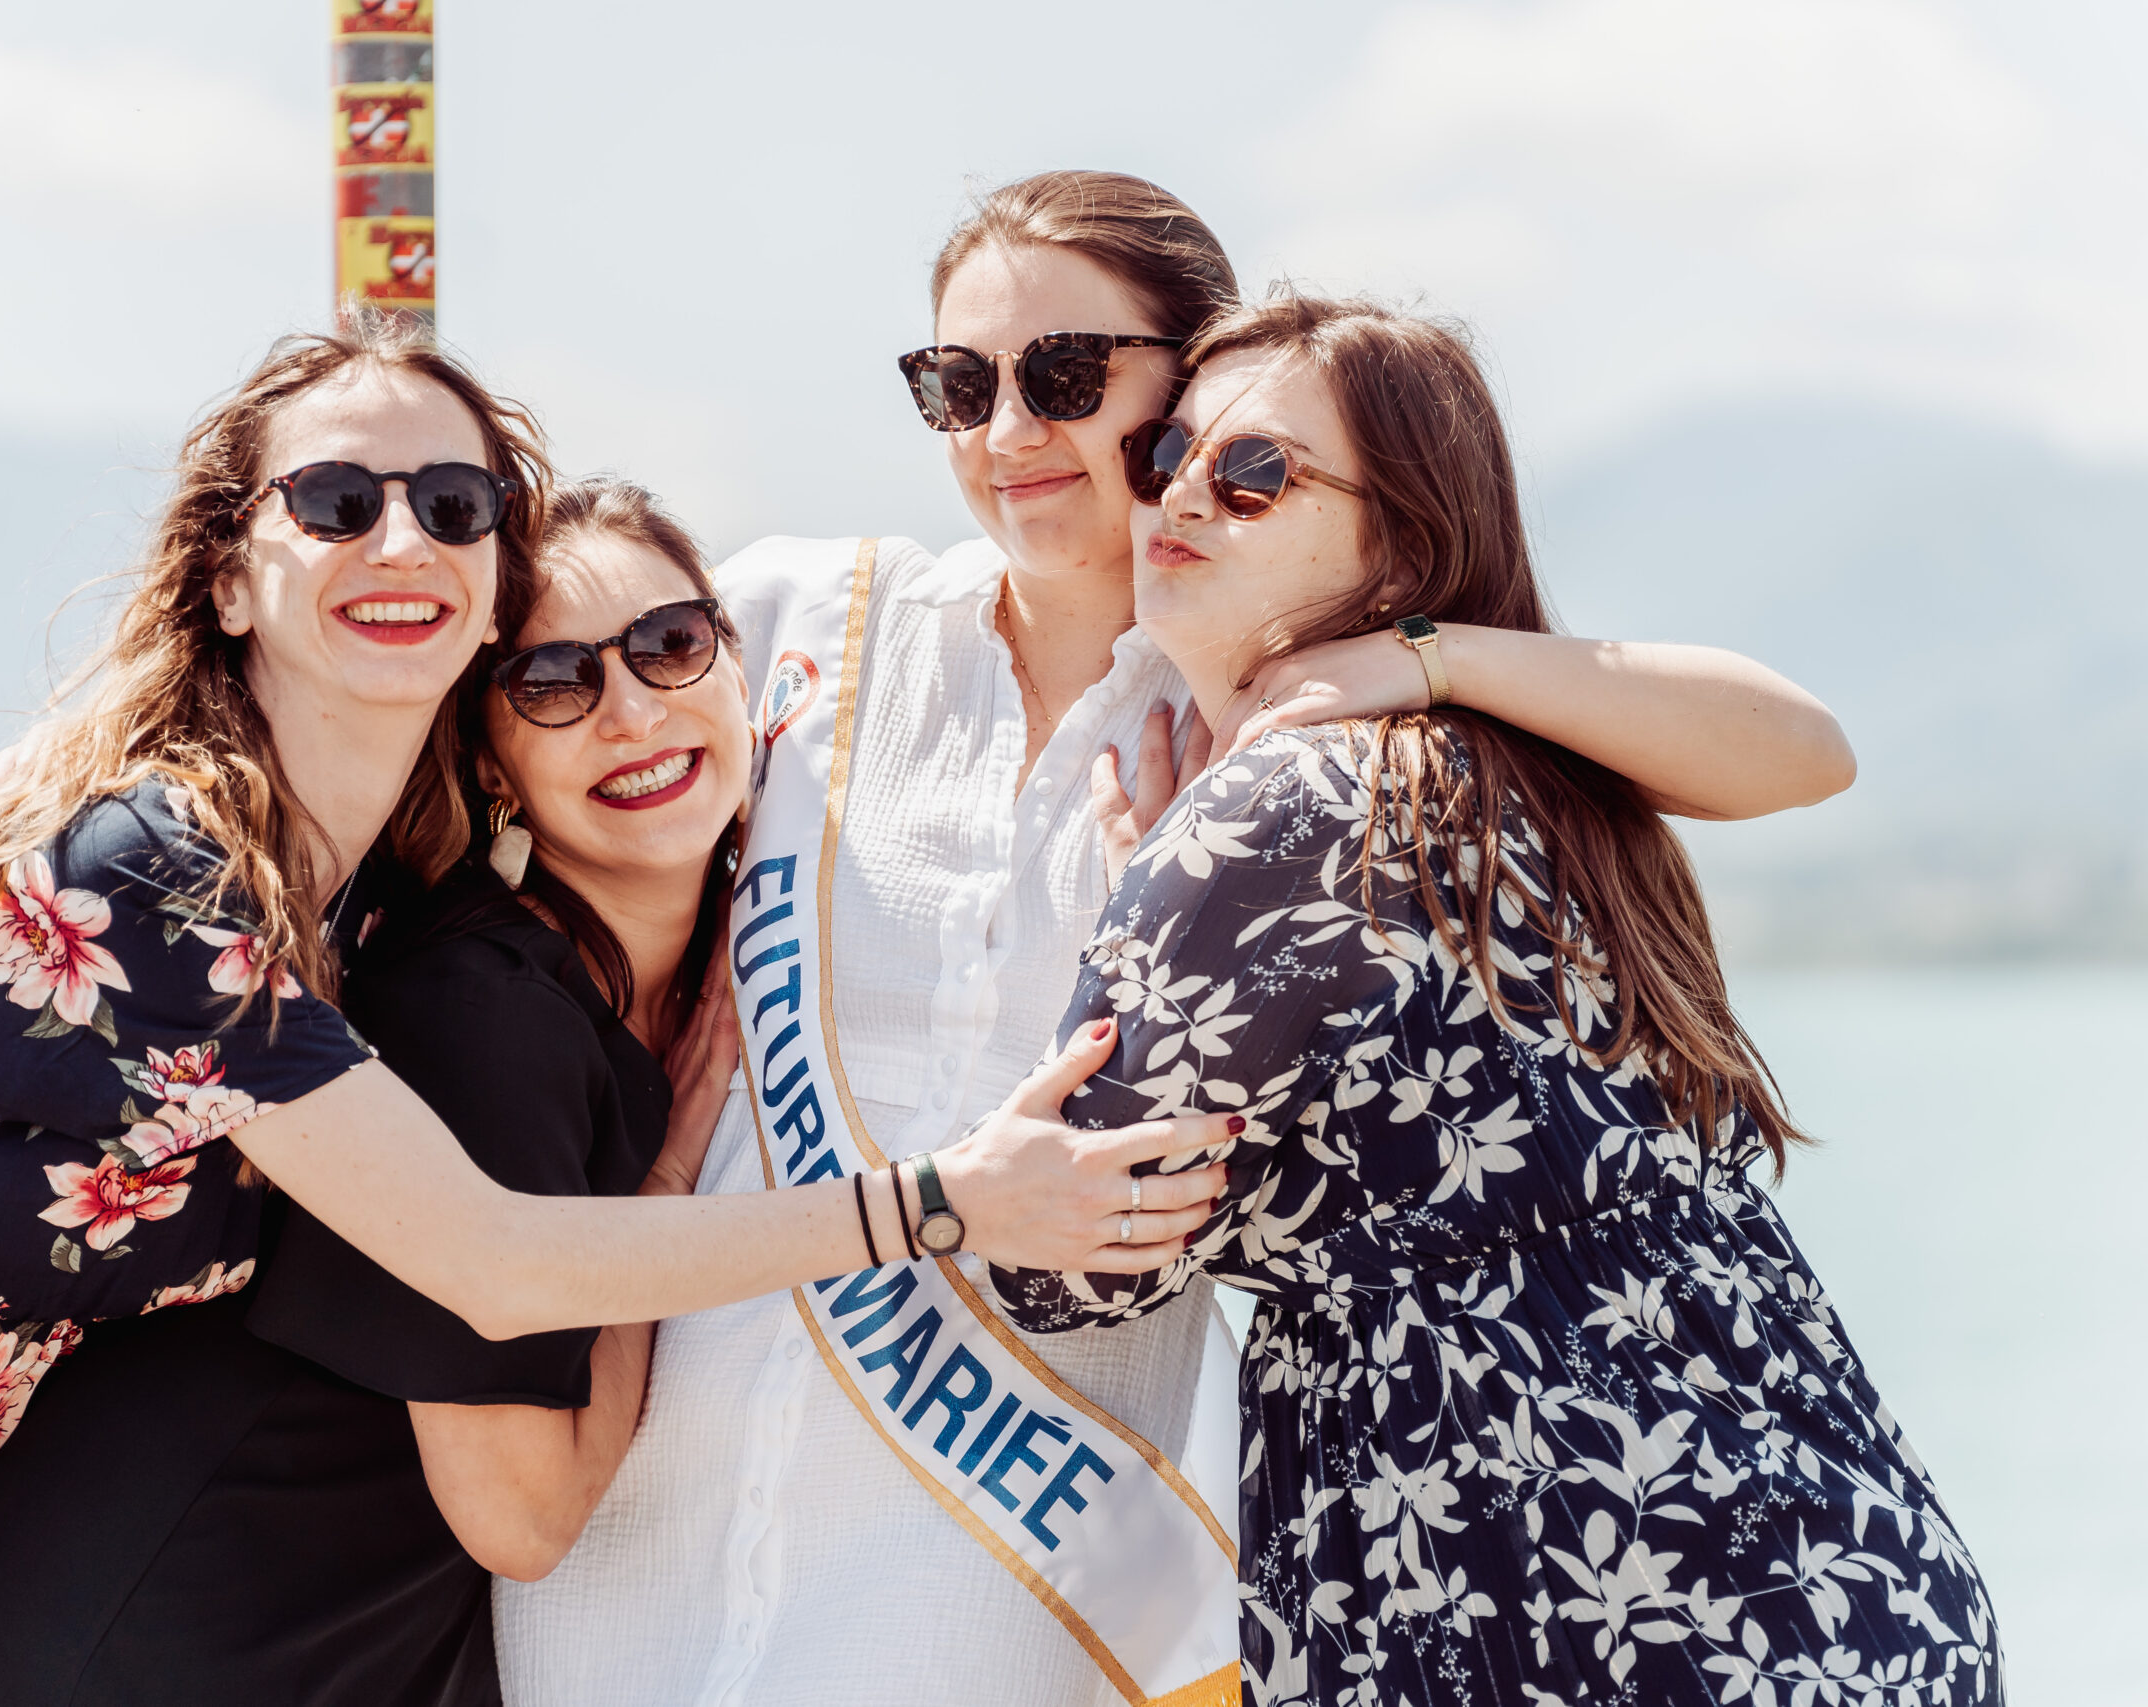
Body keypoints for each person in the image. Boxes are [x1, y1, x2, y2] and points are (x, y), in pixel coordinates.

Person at [0, 315, 1227, 1707]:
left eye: (452, 503)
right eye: (336, 497)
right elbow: (494, 1258)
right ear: (231, 576)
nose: (401, 539)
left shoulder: (364, 898)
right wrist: (944, 1202)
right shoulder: (168, 874)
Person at [498, 172, 1858, 1707]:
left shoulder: (1275, 704)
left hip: (1003, 1575)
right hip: (648, 1502)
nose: (1006, 432)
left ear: (1187, 388)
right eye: (957, 385)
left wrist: (1429, 660)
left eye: (1066, 377)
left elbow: (1793, 752)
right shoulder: (787, 620)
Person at [991, 292, 2001, 1704]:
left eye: (1257, 472)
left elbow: (1064, 1263)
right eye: (1168, 456)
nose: (1186, 497)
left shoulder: (1272, 814)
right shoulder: (1522, 770)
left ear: (1401, 537)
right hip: (1841, 1572)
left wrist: (1144, 898)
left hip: (1549, 1599)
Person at [0, 478, 748, 1705]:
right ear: (491, 763)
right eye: (552, 684)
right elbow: (524, 1514)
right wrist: (671, 1181)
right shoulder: (485, 1013)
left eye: (671, 646)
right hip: (153, 1648)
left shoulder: (700, 970)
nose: (629, 712)